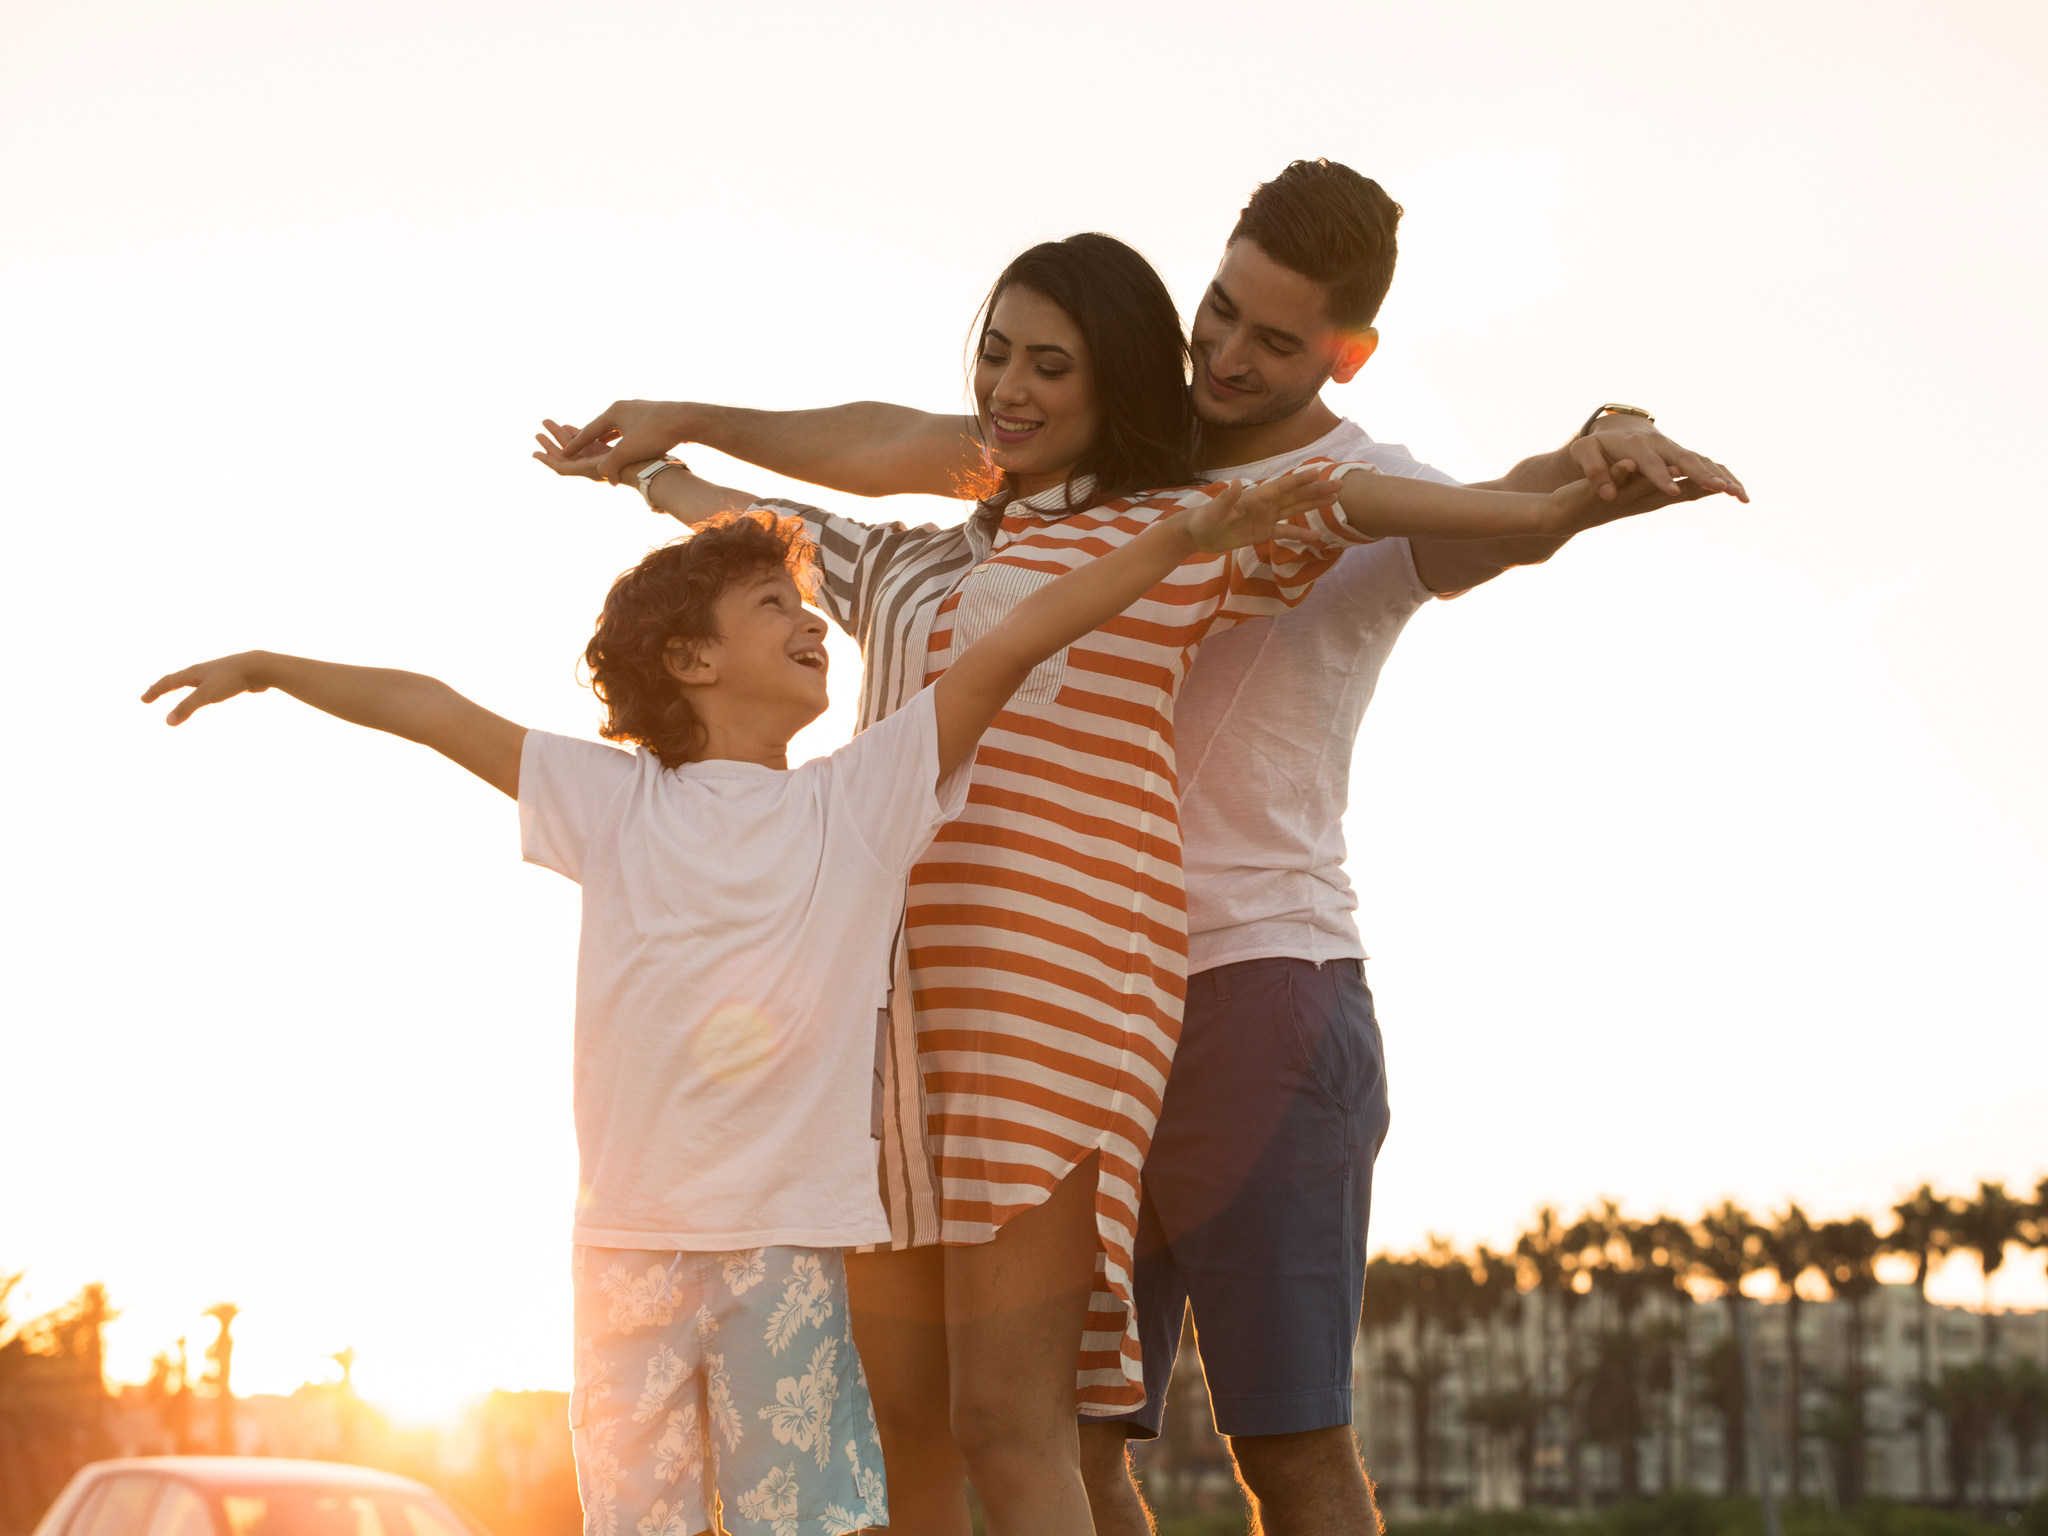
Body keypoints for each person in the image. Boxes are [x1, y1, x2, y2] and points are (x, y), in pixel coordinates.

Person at [537, 161, 1747, 1535]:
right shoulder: (1020, 506)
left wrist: (1591, 466)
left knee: (1253, 1445)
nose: (1228, 354)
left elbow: (1467, 508)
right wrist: (672, 451)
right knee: (1031, 1433)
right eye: (1215, 316)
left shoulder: (1250, 505)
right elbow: (879, 460)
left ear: (1343, 352)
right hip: (919, 1024)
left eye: (1272, 339)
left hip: (1207, 992)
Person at [140, 481, 1353, 1536]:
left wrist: (1178, 538)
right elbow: (434, 708)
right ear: (689, 659)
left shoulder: (860, 799)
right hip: (624, 1250)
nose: (807, 618)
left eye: (803, 603)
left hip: (784, 1251)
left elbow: (1011, 643)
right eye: (772, 606)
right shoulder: (610, 802)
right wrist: (271, 669)